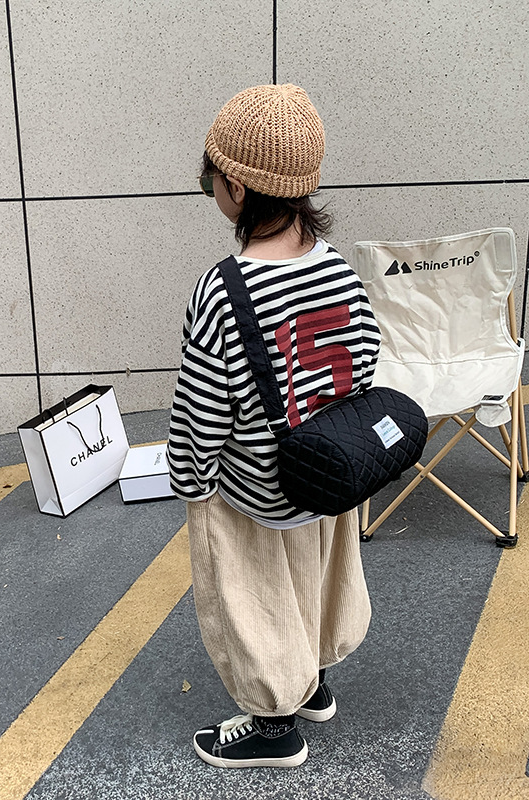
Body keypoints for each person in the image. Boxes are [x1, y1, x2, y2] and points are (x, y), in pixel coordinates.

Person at [166, 84, 381, 769]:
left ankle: (273, 725)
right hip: (326, 475)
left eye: (209, 179)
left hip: (255, 487)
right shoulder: (337, 268)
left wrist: (192, 482)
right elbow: (366, 358)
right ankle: (311, 682)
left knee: (255, 599)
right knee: (311, 580)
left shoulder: (224, 290)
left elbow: (202, 410)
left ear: (235, 186)